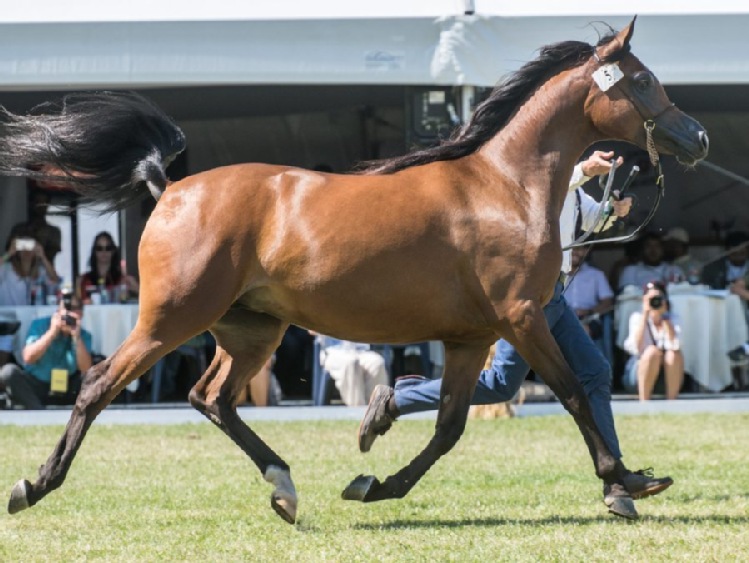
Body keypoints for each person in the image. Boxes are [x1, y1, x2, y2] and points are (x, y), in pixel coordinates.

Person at [358, 150, 672, 520]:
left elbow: (588, 221)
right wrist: (583, 170)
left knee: (594, 373)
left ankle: (616, 480)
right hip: (531, 298)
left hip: (554, 295)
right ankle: (398, 400)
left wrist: (610, 212)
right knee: (502, 385)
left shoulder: (573, 184)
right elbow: (551, 186)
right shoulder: (542, 173)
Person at [0, 292, 93, 409]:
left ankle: (78, 411)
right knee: (8, 372)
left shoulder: (84, 335)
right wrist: (52, 333)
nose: (68, 317)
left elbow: (86, 369)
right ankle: (38, 410)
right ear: (58, 312)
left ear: (81, 314)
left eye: (75, 310)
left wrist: (76, 337)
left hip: (67, 385)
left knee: (92, 378)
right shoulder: (40, 325)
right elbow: (28, 358)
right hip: (37, 383)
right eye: (66, 311)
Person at [622, 281, 684, 400]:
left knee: (674, 354)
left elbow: (675, 344)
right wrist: (645, 314)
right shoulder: (637, 318)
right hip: (637, 374)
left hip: (666, 375)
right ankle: (644, 402)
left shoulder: (674, 318)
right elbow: (636, 348)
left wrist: (665, 317)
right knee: (652, 352)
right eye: (651, 298)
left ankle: (672, 402)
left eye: (658, 298)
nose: (655, 301)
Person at [702, 232, 749, 364]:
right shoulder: (712, 268)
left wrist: (742, 291)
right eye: (734, 249)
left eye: (742, 249)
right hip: (719, 311)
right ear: (727, 250)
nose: (739, 252)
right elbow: (704, 288)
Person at [315, 335, 389, 406]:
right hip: (333, 352)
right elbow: (312, 330)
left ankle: (376, 410)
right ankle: (357, 410)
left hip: (360, 350)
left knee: (377, 363)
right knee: (351, 362)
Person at [0, 229, 60, 306]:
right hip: (10, 316)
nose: (26, 251)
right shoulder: (6, 269)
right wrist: (9, 253)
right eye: (23, 246)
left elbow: (55, 280)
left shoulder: (40, 271)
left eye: (30, 246)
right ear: (18, 251)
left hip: (33, 315)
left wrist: (43, 256)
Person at [76, 231, 139, 303]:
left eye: (108, 248)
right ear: (94, 251)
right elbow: (76, 307)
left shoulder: (124, 280)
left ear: (113, 251)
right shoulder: (82, 280)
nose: (104, 252)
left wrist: (136, 288)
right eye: (99, 248)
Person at [566, 247, 614, 339]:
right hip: (561, 317)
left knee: (582, 330)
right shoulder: (555, 275)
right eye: (571, 249)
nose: (574, 252)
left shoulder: (596, 274)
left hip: (588, 318)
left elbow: (607, 302)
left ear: (586, 251)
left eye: (579, 249)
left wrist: (588, 311)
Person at [9, 185, 62, 264]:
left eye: (44, 203)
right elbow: (10, 252)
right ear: (30, 203)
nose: (41, 206)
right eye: (37, 202)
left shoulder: (54, 232)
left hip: (45, 274)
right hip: (18, 274)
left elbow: (49, 254)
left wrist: (24, 245)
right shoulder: (18, 229)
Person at [617, 232, 685, 292]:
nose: (653, 250)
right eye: (648, 246)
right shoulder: (631, 271)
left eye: (657, 246)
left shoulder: (674, 270)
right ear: (642, 249)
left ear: (662, 249)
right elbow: (625, 298)